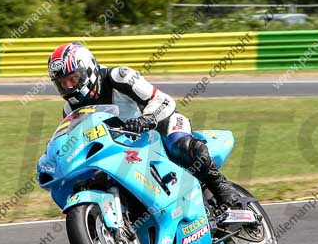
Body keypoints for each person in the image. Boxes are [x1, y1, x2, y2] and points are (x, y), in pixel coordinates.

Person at [47, 41, 237, 207]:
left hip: (160, 126)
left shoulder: (118, 77)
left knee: (183, 146)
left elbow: (164, 100)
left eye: (73, 79)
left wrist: (147, 119)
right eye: (62, 83)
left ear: (87, 69)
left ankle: (225, 191)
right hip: (123, 146)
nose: (69, 87)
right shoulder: (69, 110)